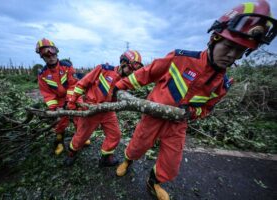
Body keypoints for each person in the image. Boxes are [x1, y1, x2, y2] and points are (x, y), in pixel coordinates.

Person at [113, 1, 276, 200]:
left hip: (178, 124)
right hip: (152, 116)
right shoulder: (180, 59)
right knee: (138, 145)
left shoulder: (222, 84)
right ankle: (128, 162)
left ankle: (154, 182)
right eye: (229, 46)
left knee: (171, 161)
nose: (232, 55)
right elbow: (145, 74)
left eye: (240, 51)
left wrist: (191, 113)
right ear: (214, 38)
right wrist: (120, 87)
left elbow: (207, 108)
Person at [63, 50, 144, 167]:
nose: (131, 73)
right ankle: (72, 153)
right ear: (123, 63)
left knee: (115, 134)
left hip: (108, 111)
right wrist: (72, 100)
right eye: (130, 69)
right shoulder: (103, 69)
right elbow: (82, 83)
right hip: (92, 109)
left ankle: (106, 157)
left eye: (134, 71)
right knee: (82, 136)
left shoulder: (127, 81)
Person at [36, 38, 90, 155]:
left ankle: (81, 138)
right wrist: (54, 108)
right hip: (58, 100)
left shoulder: (67, 66)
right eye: (46, 55)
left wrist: (70, 101)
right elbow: (47, 93)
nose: (50, 57)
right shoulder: (43, 74)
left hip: (73, 95)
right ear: (42, 57)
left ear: (56, 53)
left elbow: (73, 84)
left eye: (52, 53)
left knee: (79, 115)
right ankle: (59, 142)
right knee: (61, 121)